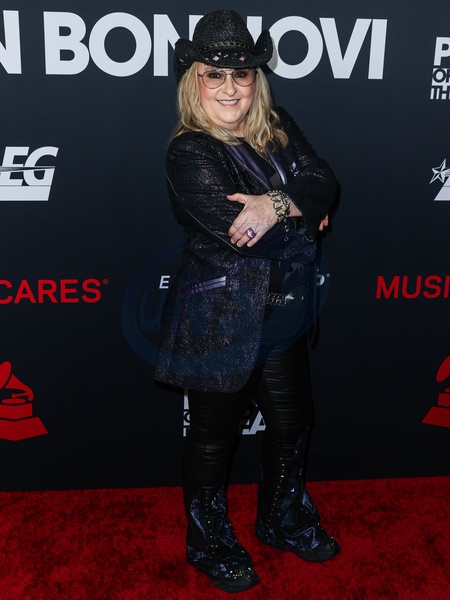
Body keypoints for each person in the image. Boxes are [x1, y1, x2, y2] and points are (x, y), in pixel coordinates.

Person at [154, 9, 339, 594]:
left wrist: (275, 204)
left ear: (258, 78)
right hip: (221, 317)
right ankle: (208, 542)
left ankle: (281, 519)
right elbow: (250, 235)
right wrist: (297, 209)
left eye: (242, 74)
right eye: (214, 75)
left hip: (282, 311)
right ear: (194, 81)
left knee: (292, 422)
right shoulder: (189, 152)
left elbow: (325, 181)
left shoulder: (277, 126)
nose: (230, 88)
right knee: (213, 438)